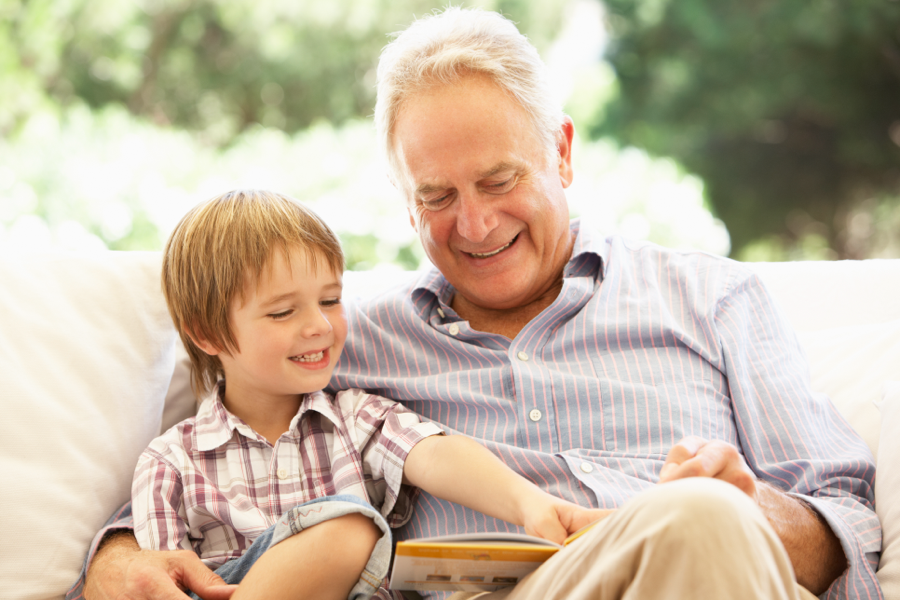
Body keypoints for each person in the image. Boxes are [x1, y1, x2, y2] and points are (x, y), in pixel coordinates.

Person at [71, 7, 881, 600]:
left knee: (701, 517)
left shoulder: (713, 299)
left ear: (560, 153)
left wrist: (750, 516)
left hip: (680, 572)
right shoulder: (344, 344)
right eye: (437, 196)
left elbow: (846, 516)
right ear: (402, 199)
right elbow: (217, 451)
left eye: (500, 181)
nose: (477, 224)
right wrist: (120, 562)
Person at [128, 189, 607, 600]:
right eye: (282, 313)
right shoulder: (170, 462)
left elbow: (437, 455)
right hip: (234, 585)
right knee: (349, 526)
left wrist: (533, 506)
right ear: (208, 335)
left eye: (330, 300)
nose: (317, 325)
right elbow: (162, 581)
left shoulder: (356, 416)